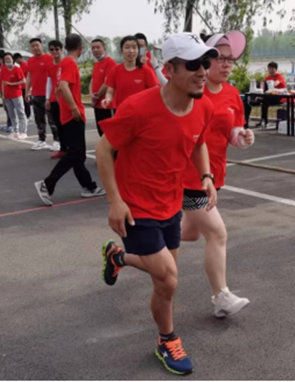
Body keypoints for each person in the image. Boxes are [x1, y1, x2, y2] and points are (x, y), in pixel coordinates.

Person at [96, 32, 218, 376]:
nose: (202, 71)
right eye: (192, 64)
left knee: (164, 279)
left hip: (170, 204)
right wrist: (114, 201)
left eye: (204, 63)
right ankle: (167, 340)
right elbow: (104, 150)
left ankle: (117, 257)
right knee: (168, 279)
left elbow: (198, 142)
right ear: (169, 69)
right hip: (135, 207)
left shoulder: (204, 106)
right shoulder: (138, 107)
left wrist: (206, 176)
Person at [182, 31, 253, 317]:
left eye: (230, 59)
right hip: (190, 177)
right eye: (220, 58)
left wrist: (242, 137)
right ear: (205, 59)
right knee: (217, 234)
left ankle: (124, 255)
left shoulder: (233, 94)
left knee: (188, 233)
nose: (225, 64)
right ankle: (221, 296)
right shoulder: (191, 93)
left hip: (216, 176)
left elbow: (232, 132)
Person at [34, 34, 105, 206]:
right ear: (80, 49)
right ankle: (47, 183)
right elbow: (63, 86)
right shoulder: (70, 64)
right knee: (75, 153)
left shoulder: (62, 64)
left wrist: (64, 107)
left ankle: (88, 186)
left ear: (65, 48)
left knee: (78, 154)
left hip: (68, 114)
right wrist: (73, 108)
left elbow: (57, 89)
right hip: (74, 115)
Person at [102, 36, 158, 109]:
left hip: (141, 112)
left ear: (138, 50)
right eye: (127, 47)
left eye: (134, 47)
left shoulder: (146, 71)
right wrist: (108, 99)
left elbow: (155, 92)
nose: (131, 51)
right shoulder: (115, 70)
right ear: (121, 50)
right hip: (121, 111)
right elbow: (110, 92)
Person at [26, 38, 60, 151]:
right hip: (35, 95)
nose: (35, 48)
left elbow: (54, 76)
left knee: (52, 119)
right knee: (39, 119)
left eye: (37, 45)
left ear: (41, 45)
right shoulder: (30, 60)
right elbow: (29, 76)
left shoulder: (49, 58)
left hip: (48, 95)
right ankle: (41, 140)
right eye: (33, 46)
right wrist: (27, 91)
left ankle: (57, 140)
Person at [89, 39, 117, 136]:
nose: (95, 50)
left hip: (107, 105)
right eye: (93, 48)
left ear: (104, 48)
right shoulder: (96, 64)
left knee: (109, 134)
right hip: (98, 105)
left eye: (98, 47)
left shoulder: (110, 63)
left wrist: (96, 97)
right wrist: (91, 95)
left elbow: (107, 83)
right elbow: (92, 81)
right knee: (101, 133)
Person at [45, 40, 66, 159]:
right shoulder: (49, 65)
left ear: (61, 49)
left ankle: (70, 149)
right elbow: (49, 82)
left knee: (67, 125)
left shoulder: (66, 63)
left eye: (57, 49)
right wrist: (48, 98)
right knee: (58, 125)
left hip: (65, 99)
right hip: (54, 99)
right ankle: (63, 149)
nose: (54, 51)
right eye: (52, 49)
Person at [1, 53, 28, 140]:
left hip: (16, 95)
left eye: (9, 59)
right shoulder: (4, 70)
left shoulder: (17, 69)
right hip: (7, 96)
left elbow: (23, 81)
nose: (7, 60)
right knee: (11, 114)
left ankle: (23, 132)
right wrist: (3, 94)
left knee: (20, 113)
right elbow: (3, 82)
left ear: (13, 60)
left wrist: (12, 84)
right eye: (6, 59)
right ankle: (15, 131)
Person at [258, 61, 286, 129]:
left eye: (272, 69)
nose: (271, 70)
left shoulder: (279, 76)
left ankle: (263, 120)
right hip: (270, 97)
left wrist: (272, 83)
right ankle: (264, 121)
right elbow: (264, 88)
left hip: (280, 97)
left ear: (276, 69)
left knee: (265, 101)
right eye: (269, 68)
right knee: (264, 101)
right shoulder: (267, 77)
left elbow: (276, 83)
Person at [0, 49, 12, 133]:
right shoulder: (2, 66)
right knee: (6, 108)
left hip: (7, 91)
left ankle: (11, 125)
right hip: (3, 90)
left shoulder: (6, 67)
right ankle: (9, 124)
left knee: (9, 108)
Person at [14, 52, 32, 120]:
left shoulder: (25, 65)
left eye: (16, 60)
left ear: (19, 58)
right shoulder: (21, 65)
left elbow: (27, 76)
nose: (16, 62)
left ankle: (28, 115)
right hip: (22, 86)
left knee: (26, 101)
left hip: (25, 86)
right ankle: (26, 115)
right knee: (24, 102)